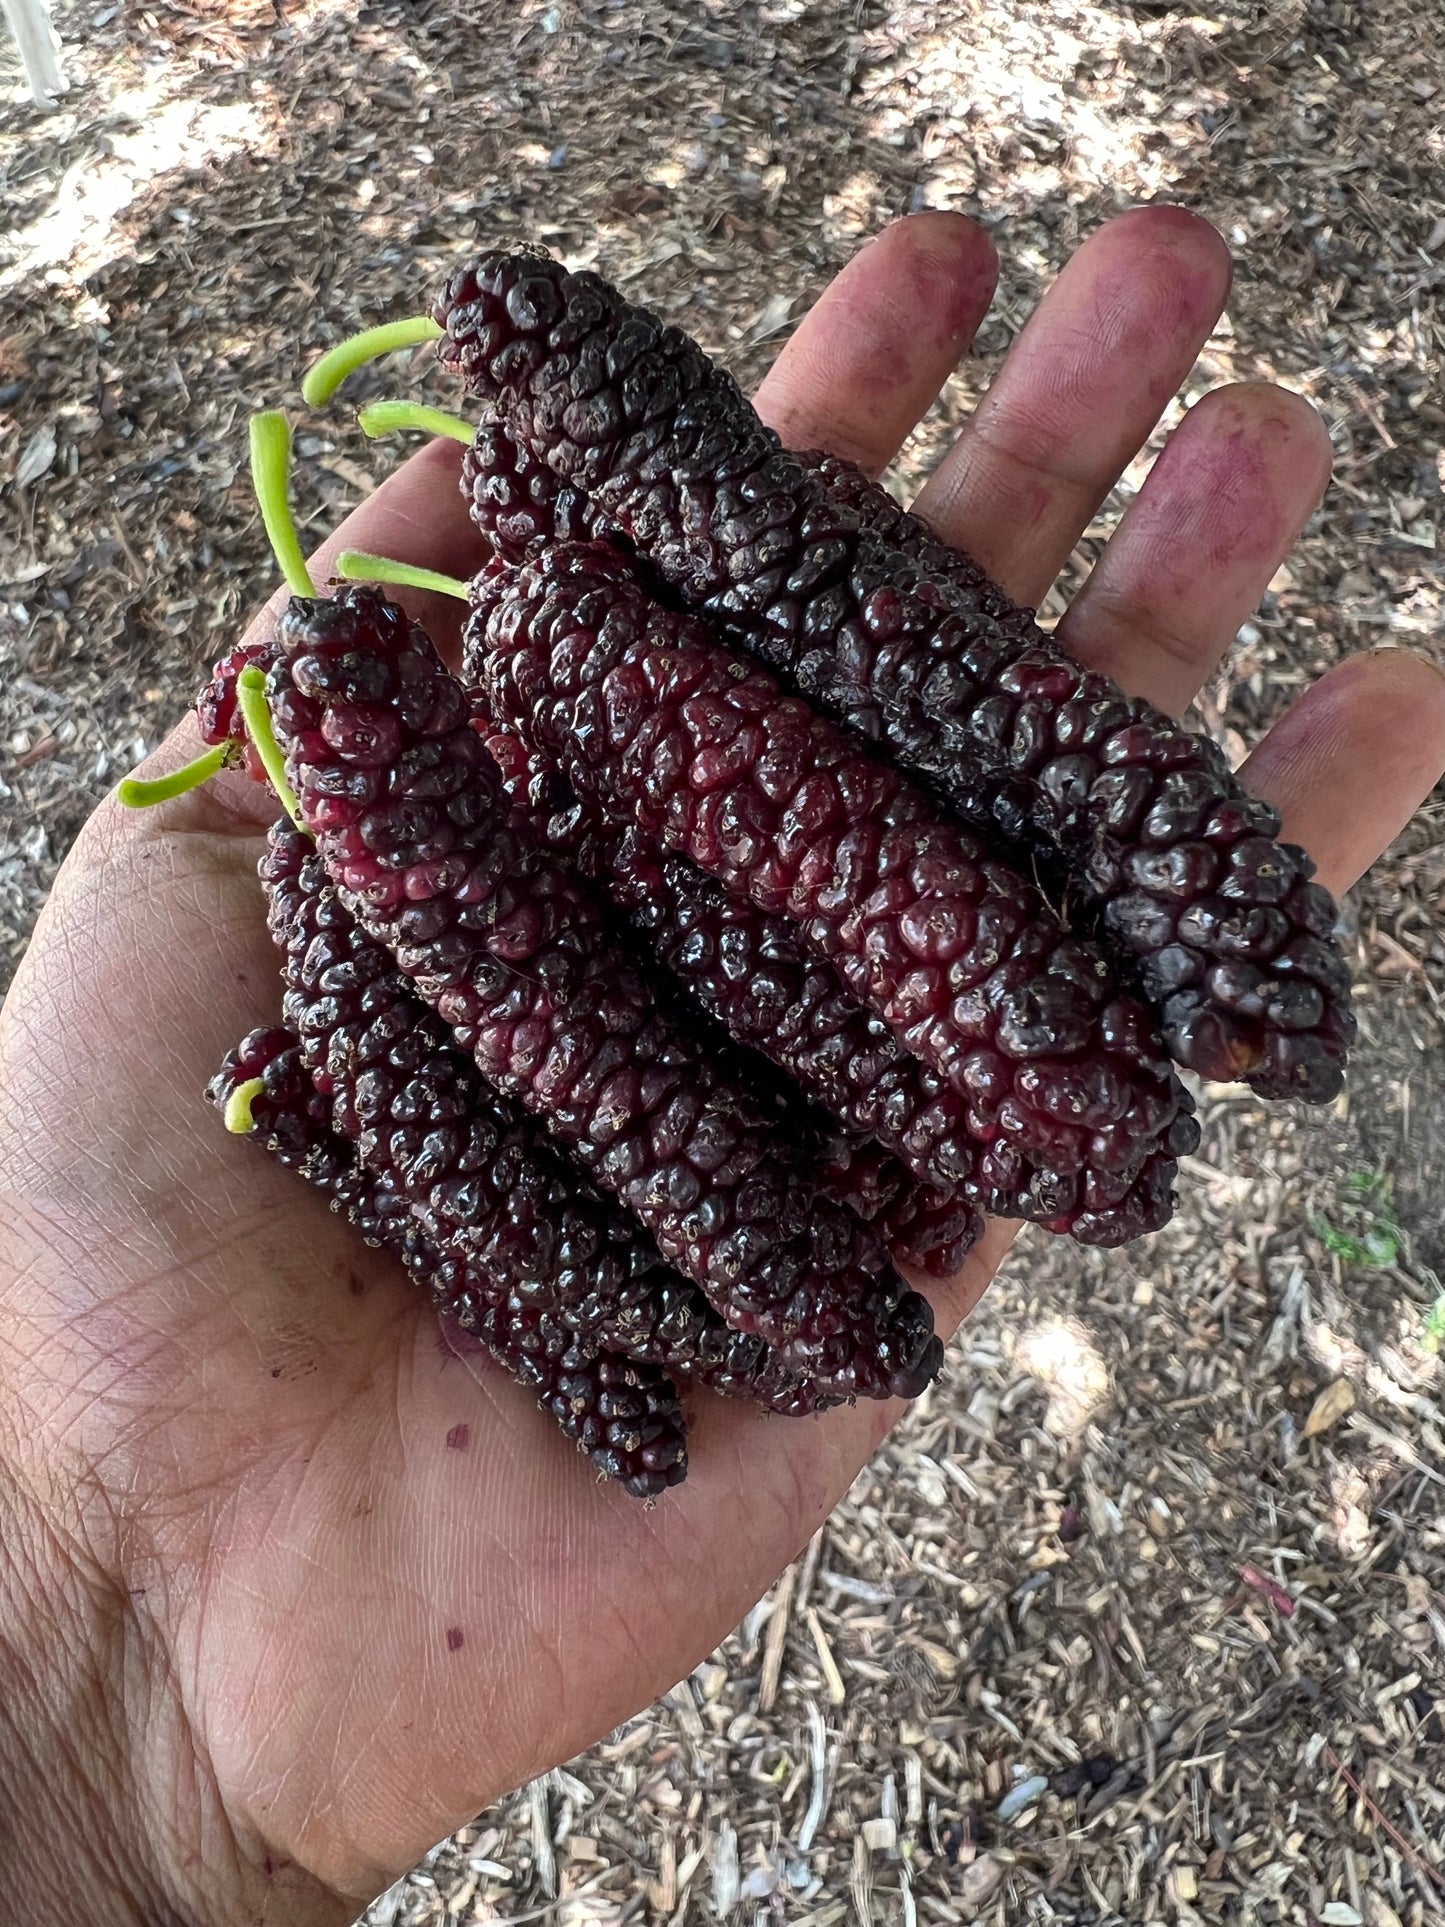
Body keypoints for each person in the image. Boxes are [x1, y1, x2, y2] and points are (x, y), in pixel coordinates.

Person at [1, 207, 1441, 1927]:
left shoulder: (553, 626)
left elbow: (859, 697)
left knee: (910, 713)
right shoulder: (417, 793)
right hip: (580, 893)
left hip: (641, 734)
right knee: (761, 842)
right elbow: (567, 1003)